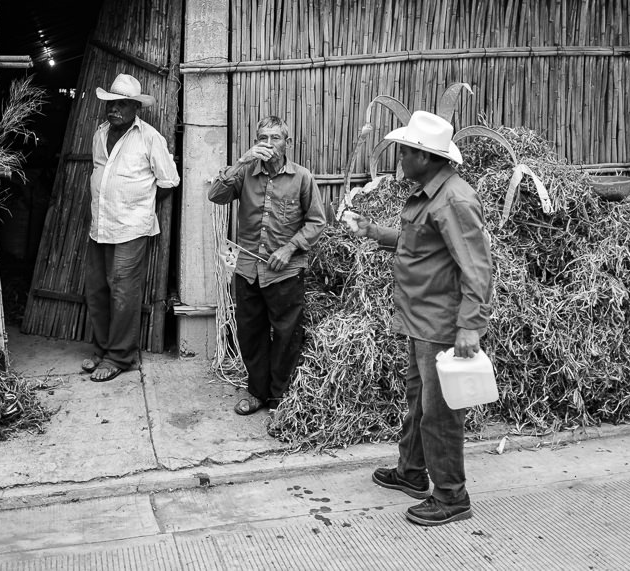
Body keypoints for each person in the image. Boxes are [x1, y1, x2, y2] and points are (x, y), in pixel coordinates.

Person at [348, 110, 493, 526]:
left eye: (405, 152)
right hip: (420, 319)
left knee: (440, 412)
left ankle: (451, 496)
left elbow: (476, 268)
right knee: (419, 401)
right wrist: (374, 231)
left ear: (425, 157)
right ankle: (411, 471)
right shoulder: (432, 194)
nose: (400, 159)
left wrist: (470, 326)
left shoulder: (454, 200)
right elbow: (419, 244)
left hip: (440, 324)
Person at [209, 116, 326, 416]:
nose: (269, 143)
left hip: (285, 272)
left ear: (288, 143)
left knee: (287, 335)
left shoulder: (302, 178)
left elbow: (316, 222)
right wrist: (241, 161)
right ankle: (257, 392)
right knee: (251, 333)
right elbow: (215, 195)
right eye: (263, 138)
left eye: (276, 138)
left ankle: (278, 398)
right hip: (248, 269)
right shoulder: (246, 173)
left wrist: (289, 248)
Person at [82, 73, 180, 382]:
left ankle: (120, 356)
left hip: (131, 228)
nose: (114, 109)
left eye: (122, 104)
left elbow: (169, 181)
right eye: (111, 103)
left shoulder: (150, 138)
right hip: (100, 225)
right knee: (97, 290)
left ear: (136, 108)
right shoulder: (100, 134)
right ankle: (102, 348)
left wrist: (140, 204)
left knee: (123, 293)